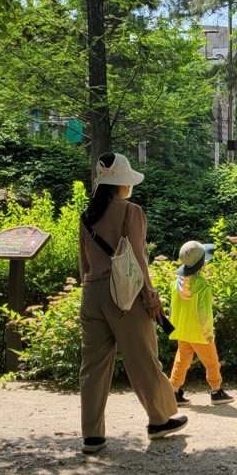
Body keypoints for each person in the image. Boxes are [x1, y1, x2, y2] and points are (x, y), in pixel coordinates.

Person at [76, 152, 187, 454]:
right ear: (122, 183)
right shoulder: (131, 211)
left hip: (92, 294)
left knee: (93, 367)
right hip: (125, 294)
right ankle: (160, 419)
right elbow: (138, 258)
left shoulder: (86, 218)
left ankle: (92, 436)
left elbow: (83, 266)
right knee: (143, 359)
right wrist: (150, 297)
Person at [169, 241, 231, 407]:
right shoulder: (202, 284)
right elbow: (204, 312)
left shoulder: (177, 283)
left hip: (183, 331)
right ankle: (216, 391)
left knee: (181, 360)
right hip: (199, 332)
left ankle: (173, 391)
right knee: (211, 361)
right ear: (201, 264)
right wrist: (208, 332)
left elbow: (172, 308)